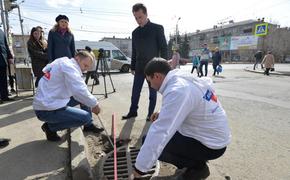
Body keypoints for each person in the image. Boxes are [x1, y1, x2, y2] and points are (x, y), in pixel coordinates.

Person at [131, 58, 231, 180]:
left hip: (211, 145)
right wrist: (162, 112)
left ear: (156, 76)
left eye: (149, 81)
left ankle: (197, 169)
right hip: (214, 137)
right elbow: (189, 103)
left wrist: (139, 169)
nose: (150, 86)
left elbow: (160, 132)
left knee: (152, 141)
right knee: (159, 138)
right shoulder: (182, 80)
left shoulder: (178, 90)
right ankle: (194, 162)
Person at [33, 51, 104, 141]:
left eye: (87, 68)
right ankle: (50, 127)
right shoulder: (69, 67)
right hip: (46, 110)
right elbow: (79, 90)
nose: (85, 70)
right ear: (77, 58)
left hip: (50, 101)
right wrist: (95, 105)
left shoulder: (62, 61)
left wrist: (90, 101)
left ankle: (88, 125)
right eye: (85, 65)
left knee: (84, 98)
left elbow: (81, 92)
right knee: (85, 117)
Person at [122, 3, 167, 121]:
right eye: (136, 18)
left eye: (140, 17)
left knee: (152, 93)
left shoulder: (157, 28)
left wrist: (164, 67)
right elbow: (134, 51)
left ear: (146, 14)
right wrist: (132, 67)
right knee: (135, 92)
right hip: (139, 67)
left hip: (154, 68)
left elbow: (164, 48)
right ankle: (133, 112)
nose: (138, 20)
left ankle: (150, 114)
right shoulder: (135, 32)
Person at [0, 28, 14, 104]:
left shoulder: (1, 32)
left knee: (3, 79)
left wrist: (10, 57)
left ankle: (4, 96)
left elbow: (6, 45)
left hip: (3, 59)